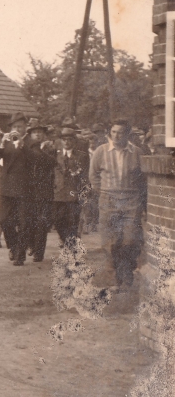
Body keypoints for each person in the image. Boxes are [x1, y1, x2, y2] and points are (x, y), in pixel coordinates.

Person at [90, 119, 147, 291]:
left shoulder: (137, 152)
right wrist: (105, 193)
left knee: (129, 241)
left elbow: (143, 179)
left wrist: (137, 199)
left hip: (131, 202)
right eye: (113, 132)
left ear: (127, 134)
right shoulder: (101, 151)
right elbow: (93, 176)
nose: (116, 136)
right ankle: (115, 279)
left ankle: (127, 276)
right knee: (111, 242)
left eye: (120, 132)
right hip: (109, 201)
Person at [0, 112, 31, 265]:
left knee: (23, 223)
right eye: (15, 127)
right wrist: (1, 144)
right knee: (3, 219)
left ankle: (20, 255)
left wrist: (22, 146)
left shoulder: (30, 142)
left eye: (20, 127)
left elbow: (35, 159)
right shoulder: (7, 141)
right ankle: (13, 246)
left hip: (24, 188)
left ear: (25, 128)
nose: (17, 130)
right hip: (7, 187)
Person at [53, 127, 90, 254]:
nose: (67, 142)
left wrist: (84, 193)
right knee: (58, 220)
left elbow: (85, 176)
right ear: (61, 141)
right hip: (58, 194)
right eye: (64, 139)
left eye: (69, 139)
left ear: (74, 141)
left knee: (73, 221)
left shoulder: (82, 156)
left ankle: (71, 245)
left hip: (74, 194)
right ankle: (66, 240)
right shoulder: (55, 155)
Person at [24, 124, 56, 264]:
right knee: (29, 220)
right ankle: (31, 244)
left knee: (42, 222)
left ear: (44, 135)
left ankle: (39, 252)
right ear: (30, 135)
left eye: (40, 132)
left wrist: (41, 151)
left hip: (44, 190)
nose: (37, 134)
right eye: (34, 132)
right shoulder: (26, 148)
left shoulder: (50, 148)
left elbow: (52, 162)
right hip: (29, 190)